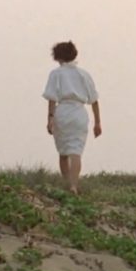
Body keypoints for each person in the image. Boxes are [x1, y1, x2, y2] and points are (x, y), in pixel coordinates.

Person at [42, 41, 101, 195]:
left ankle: (66, 182)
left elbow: (51, 98)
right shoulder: (83, 74)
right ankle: (74, 185)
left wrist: (50, 119)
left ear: (58, 57)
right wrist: (98, 122)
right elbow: (94, 100)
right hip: (79, 112)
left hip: (62, 112)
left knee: (63, 151)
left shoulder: (56, 74)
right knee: (76, 150)